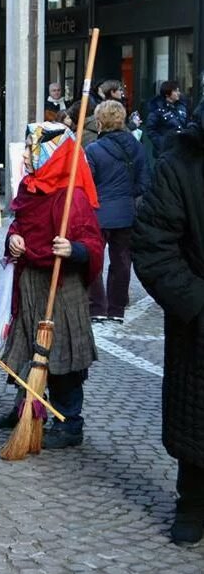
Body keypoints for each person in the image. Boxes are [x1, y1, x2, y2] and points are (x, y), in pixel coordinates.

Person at [0, 123, 104, 449]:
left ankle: (70, 422)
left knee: (62, 352)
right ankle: (27, 407)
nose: (25, 155)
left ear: (50, 155)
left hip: (62, 285)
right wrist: (14, 238)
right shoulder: (30, 187)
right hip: (31, 281)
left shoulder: (74, 197)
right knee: (29, 346)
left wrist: (74, 249)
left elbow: (94, 243)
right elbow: (19, 221)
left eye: (31, 148)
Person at [132, 121, 204, 545]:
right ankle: (192, 502)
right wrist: (195, 302)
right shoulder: (179, 165)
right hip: (198, 320)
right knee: (198, 420)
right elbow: (154, 245)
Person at [85, 100, 150, 323]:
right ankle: (116, 310)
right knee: (122, 262)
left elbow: (87, 184)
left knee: (93, 260)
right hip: (126, 212)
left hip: (98, 212)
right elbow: (144, 183)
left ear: (100, 121)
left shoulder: (93, 149)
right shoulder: (137, 146)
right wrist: (125, 194)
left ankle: (97, 307)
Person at [146, 80, 189, 156]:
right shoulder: (157, 109)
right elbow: (151, 130)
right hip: (165, 153)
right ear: (167, 94)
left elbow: (187, 123)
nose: (178, 93)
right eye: (175, 91)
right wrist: (162, 143)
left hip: (182, 151)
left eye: (178, 91)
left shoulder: (182, 106)